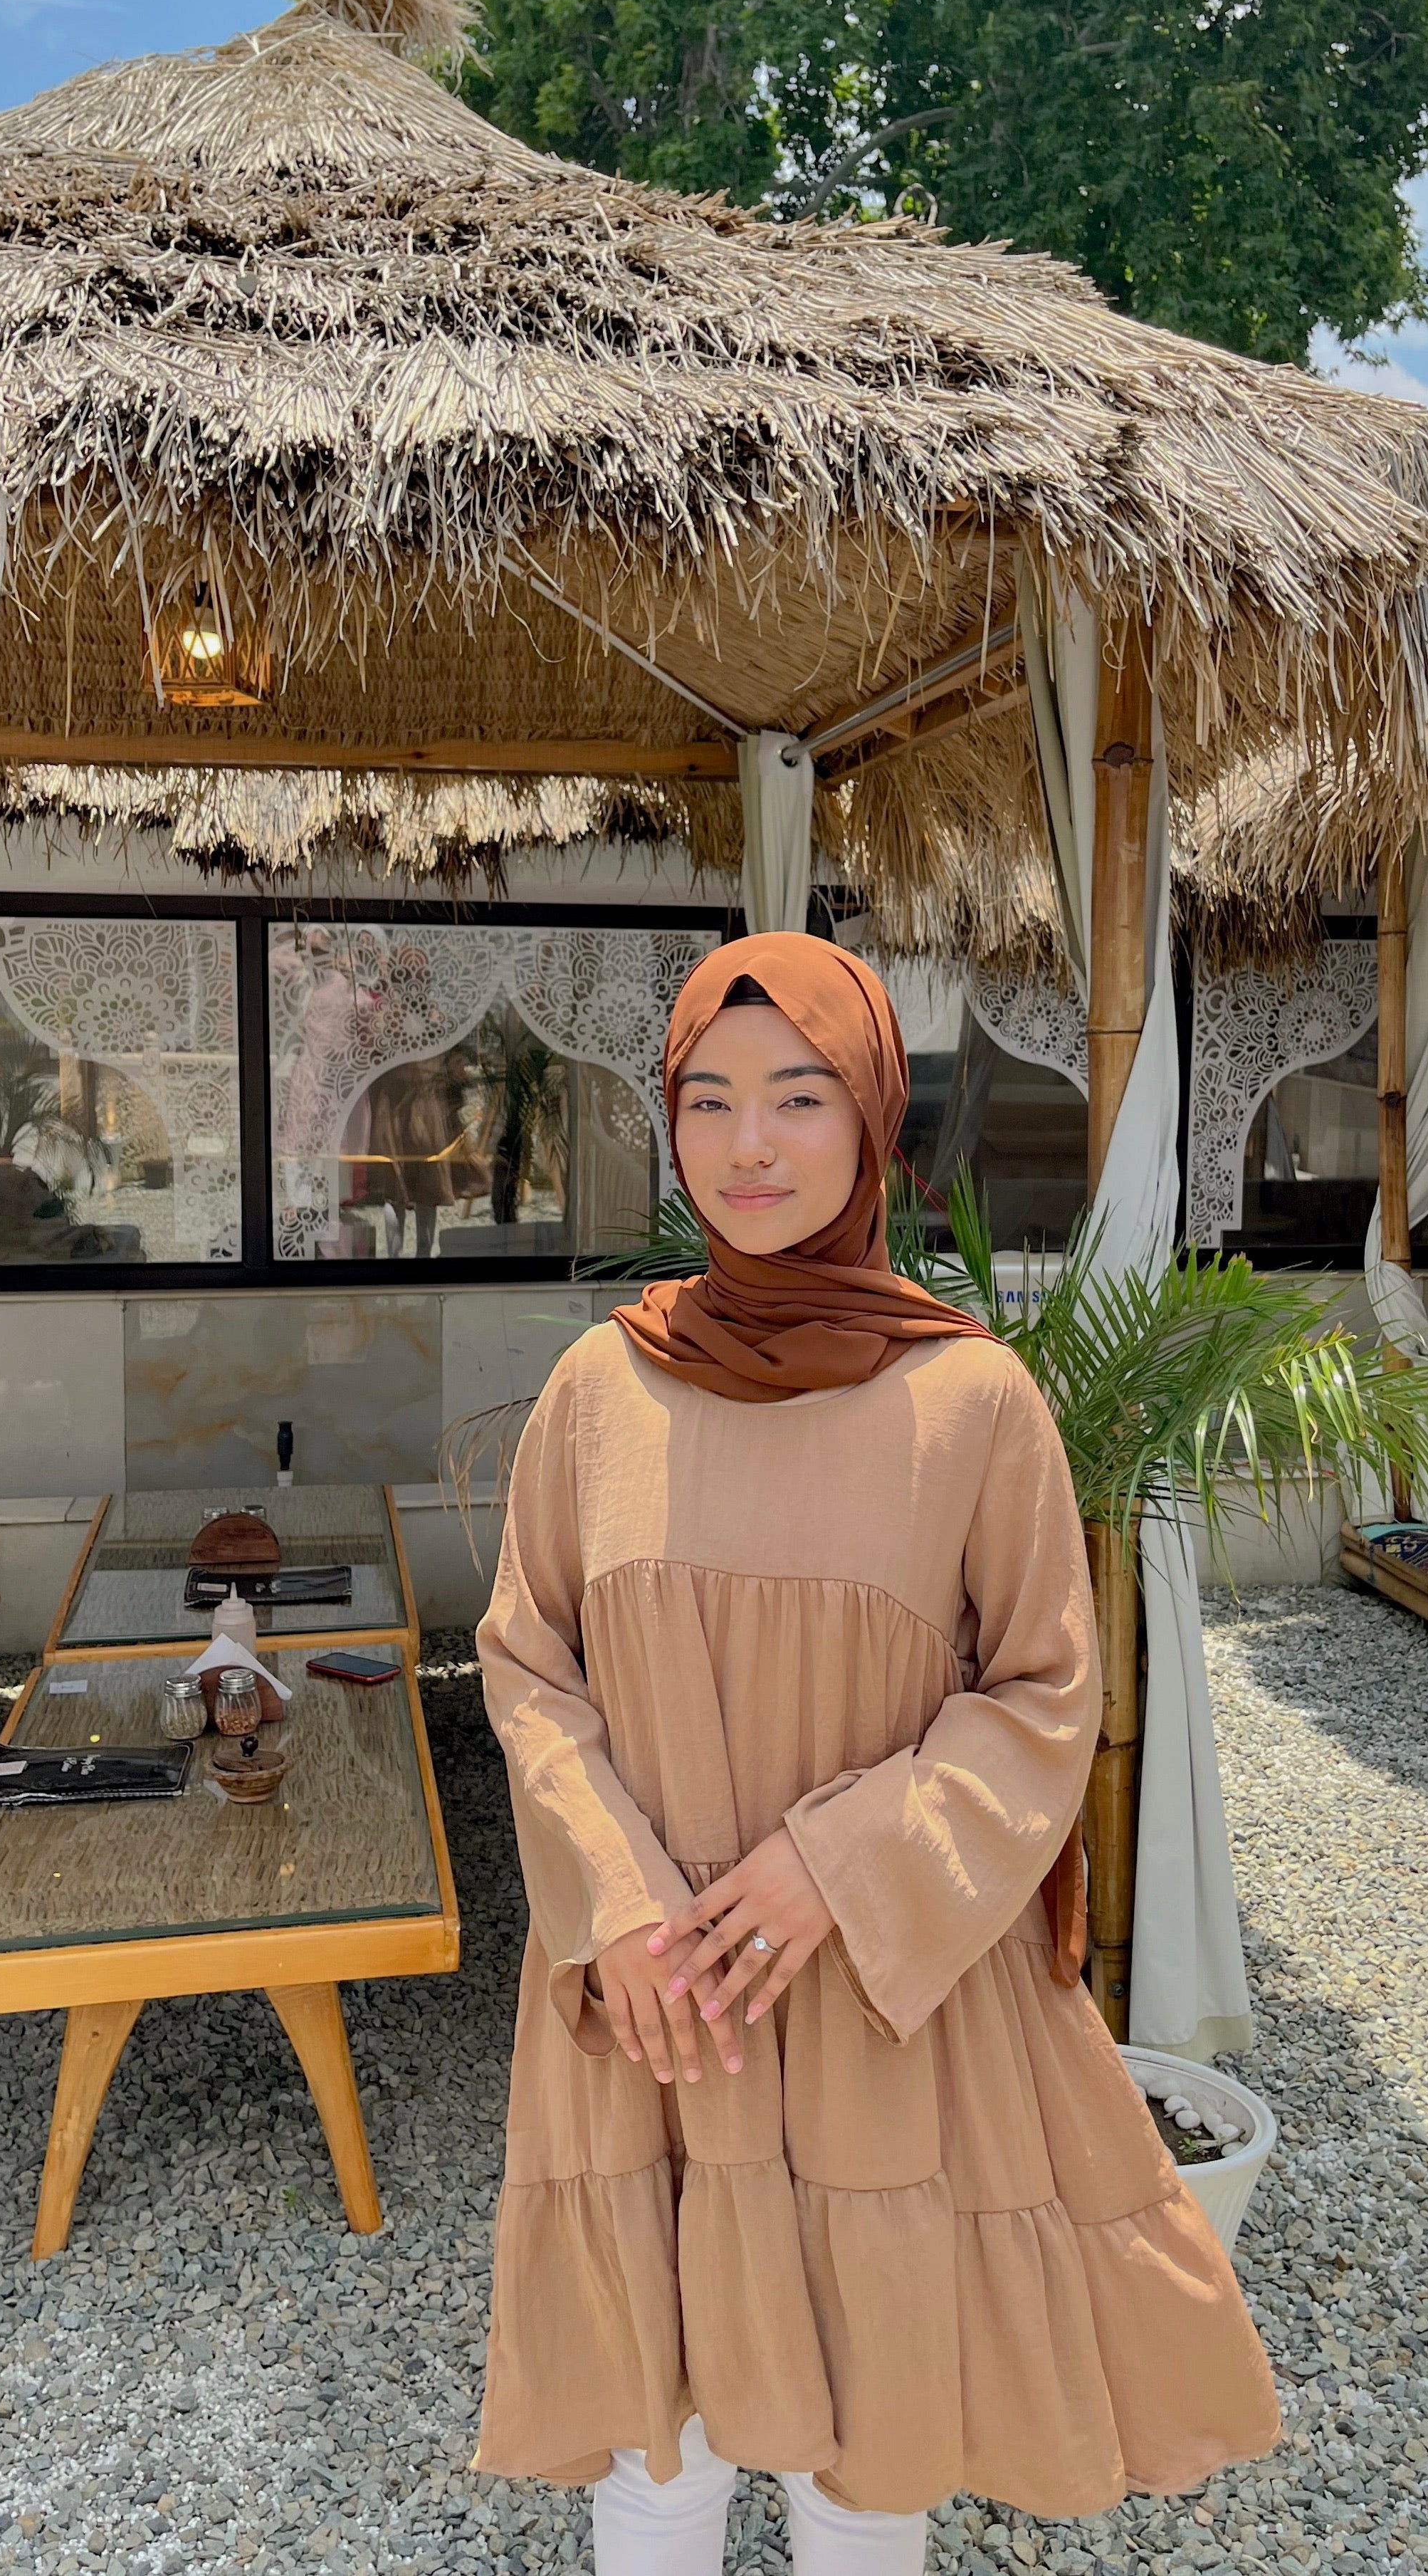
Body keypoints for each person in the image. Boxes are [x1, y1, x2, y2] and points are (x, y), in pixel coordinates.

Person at [474, 933, 1279, 2572]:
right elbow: (528, 1665)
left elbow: (1045, 1694)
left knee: (864, 2458)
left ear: (873, 1118)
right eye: (708, 1101)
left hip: (869, 1999)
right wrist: (617, 1900)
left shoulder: (972, 1403)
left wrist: (834, 1867)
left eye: (798, 1096)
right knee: (658, 2443)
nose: (749, 1145)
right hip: (660, 2001)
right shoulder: (597, 1390)